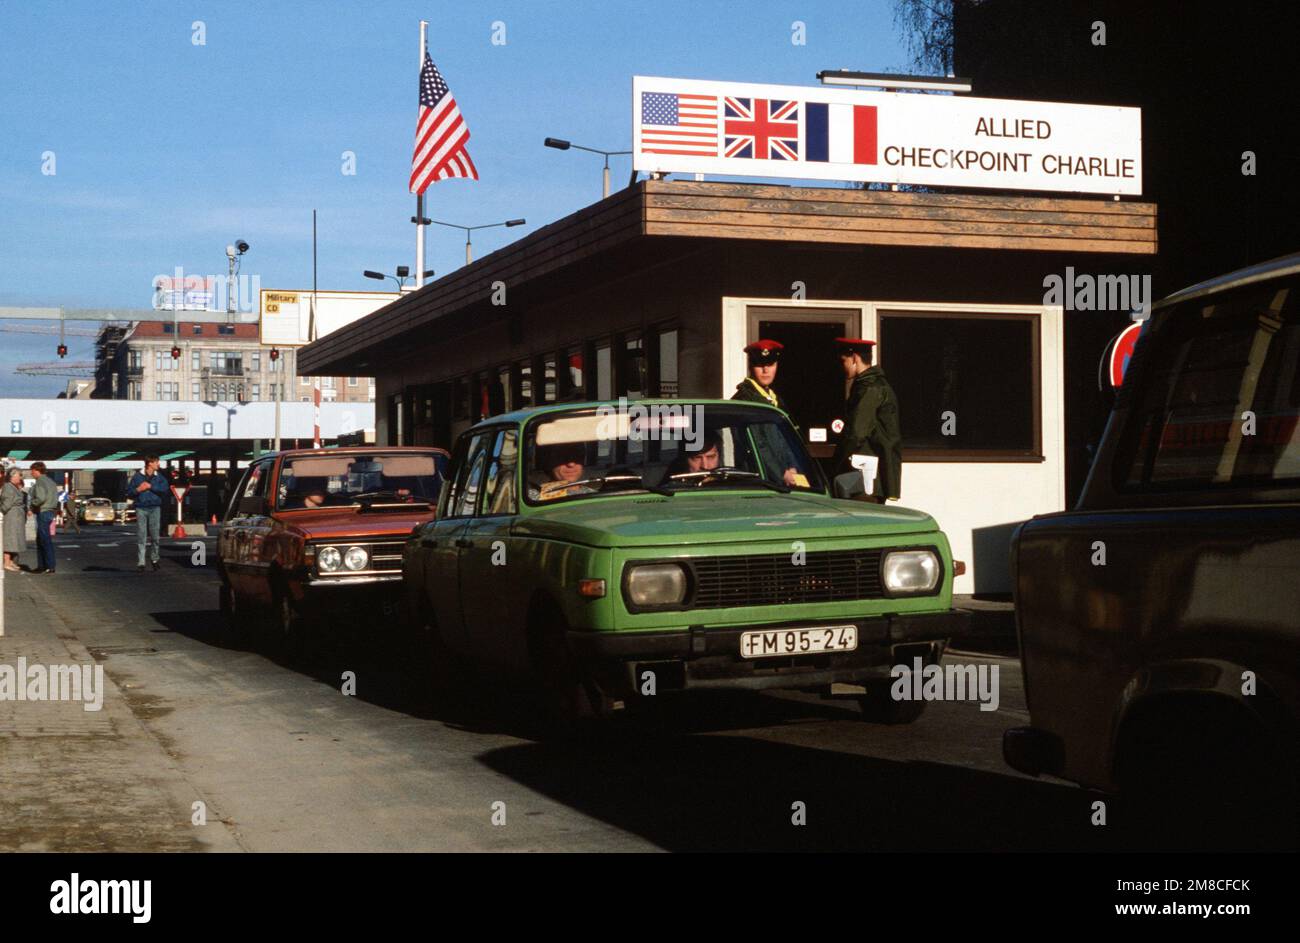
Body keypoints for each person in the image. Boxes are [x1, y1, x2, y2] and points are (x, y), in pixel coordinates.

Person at [831, 338, 902, 503]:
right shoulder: (871, 385)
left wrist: (834, 466)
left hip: (864, 479)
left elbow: (857, 433)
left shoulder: (870, 388)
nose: (842, 366)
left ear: (854, 358)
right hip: (868, 477)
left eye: (844, 361)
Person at [731, 339, 796, 419]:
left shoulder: (776, 399)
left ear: (777, 366)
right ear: (750, 367)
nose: (765, 370)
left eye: (770, 364)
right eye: (760, 364)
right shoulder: (742, 401)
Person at [126, 456, 170, 573]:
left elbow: (165, 490)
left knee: (155, 536)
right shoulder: (137, 477)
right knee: (142, 536)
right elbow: (129, 492)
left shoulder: (159, 477)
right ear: (150, 463)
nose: (158, 464)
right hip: (141, 508)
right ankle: (141, 562)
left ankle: (154, 559)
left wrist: (151, 486)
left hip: (155, 508)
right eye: (156, 462)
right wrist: (138, 490)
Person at [527, 443, 597, 501]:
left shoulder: (595, 496)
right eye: (562, 456)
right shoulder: (534, 498)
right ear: (549, 461)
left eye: (577, 456)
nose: (571, 464)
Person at [27, 461, 59, 573]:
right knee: (42, 539)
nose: (31, 473)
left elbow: (40, 498)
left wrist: (32, 505)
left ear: (36, 470)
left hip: (43, 511)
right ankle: (43, 565)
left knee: (44, 539)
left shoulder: (40, 481)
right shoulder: (51, 481)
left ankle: (48, 566)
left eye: (32, 471)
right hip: (51, 511)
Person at [1, 466, 27, 572]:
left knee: (14, 539)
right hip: (11, 516)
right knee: (9, 539)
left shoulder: (13, 486)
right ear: (13, 475)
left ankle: (11, 561)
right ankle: (6, 562)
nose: (20, 478)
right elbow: (7, 503)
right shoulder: (8, 486)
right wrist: (2, 511)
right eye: (19, 475)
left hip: (15, 516)